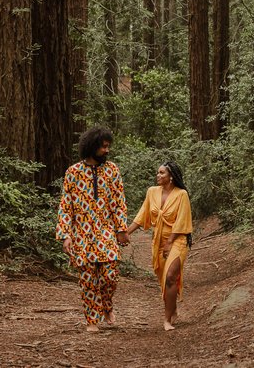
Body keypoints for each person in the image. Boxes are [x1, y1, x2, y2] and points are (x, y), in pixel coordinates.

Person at [55, 126, 130, 332]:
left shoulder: (112, 170)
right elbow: (65, 206)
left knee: (110, 275)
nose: (107, 150)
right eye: (103, 147)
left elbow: (119, 202)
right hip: (82, 234)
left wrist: (121, 229)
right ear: (92, 146)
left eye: (108, 146)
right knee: (88, 279)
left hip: (105, 230)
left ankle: (107, 305)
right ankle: (92, 320)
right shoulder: (73, 173)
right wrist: (65, 236)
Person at [126, 161, 193, 331]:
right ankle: (173, 309)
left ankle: (167, 319)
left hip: (177, 240)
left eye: (162, 173)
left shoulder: (181, 194)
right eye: (158, 172)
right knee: (164, 280)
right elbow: (142, 215)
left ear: (171, 176)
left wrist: (170, 242)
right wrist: (127, 232)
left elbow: (182, 221)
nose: (158, 175)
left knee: (171, 276)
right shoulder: (152, 192)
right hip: (158, 241)